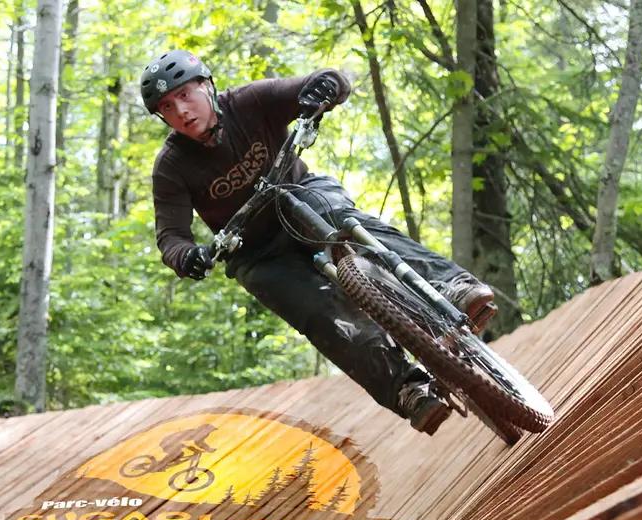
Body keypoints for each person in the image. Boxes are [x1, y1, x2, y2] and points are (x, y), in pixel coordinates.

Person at [141, 49, 497, 435]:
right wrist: (187, 256)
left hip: (300, 194)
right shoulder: (172, 167)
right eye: (167, 106)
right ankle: (405, 389)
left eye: (185, 95)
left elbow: (323, 81)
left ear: (207, 86)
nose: (181, 111)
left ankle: (448, 285)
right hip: (257, 252)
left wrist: (325, 87)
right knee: (319, 312)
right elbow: (171, 237)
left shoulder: (250, 101)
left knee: (345, 220)